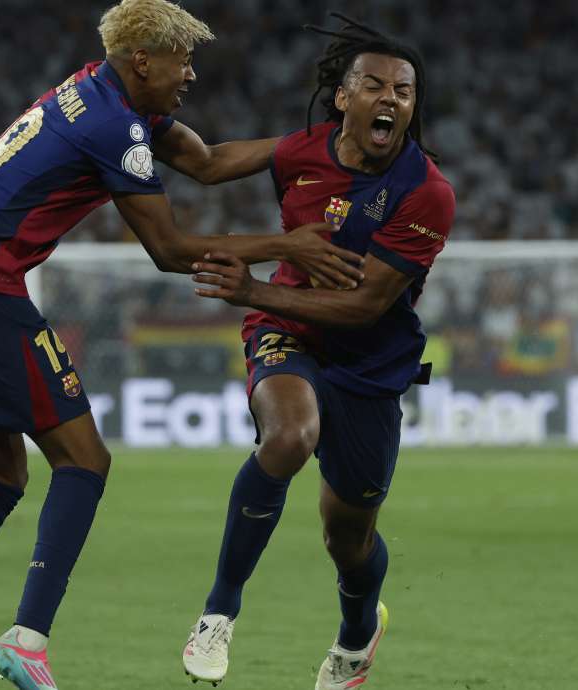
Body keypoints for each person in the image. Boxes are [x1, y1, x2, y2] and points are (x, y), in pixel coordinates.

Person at [0, 1, 367, 689]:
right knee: (85, 459)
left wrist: (320, 141)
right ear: (143, 60)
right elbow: (169, 250)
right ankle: (27, 642)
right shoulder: (112, 125)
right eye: (182, 62)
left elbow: (207, 161)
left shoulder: (93, 93)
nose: (191, 75)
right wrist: (286, 244)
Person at [180, 14, 456, 690]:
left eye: (404, 91)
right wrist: (126, 108)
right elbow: (207, 163)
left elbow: (364, 305)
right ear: (344, 97)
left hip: (369, 359)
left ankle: (358, 634)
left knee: (348, 537)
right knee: (289, 437)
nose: (390, 99)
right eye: (375, 85)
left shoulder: (427, 192)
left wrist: (253, 290)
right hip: (290, 336)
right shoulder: (302, 150)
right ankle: (218, 612)